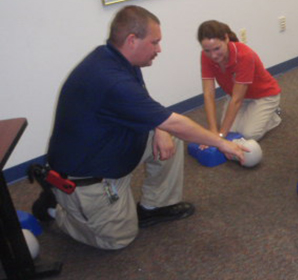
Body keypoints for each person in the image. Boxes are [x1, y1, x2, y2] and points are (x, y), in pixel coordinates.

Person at [32, 5, 246, 250]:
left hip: (111, 148)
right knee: (117, 240)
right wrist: (221, 142)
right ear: (132, 40)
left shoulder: (119, 59)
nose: (159, 49)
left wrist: (161, 129)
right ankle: (55, 207)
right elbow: (174, 121)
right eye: (154, 42)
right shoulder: (109, 78)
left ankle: (153, 207)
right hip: (89, 175)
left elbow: (146, 104)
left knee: (170, 137)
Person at [197, 20, 281, 143]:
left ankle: (273, 115)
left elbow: (237, 100)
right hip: (238, 96)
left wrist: (220, 138)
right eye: (207, 50)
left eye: (216, 48)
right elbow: (208, 94)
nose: (213, 55)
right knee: (232, 132)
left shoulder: (244, 55)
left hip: (264, 96)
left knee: (247, 134)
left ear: (226, 39)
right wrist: (213, 131)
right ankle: (254, 116)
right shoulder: (205, 56)